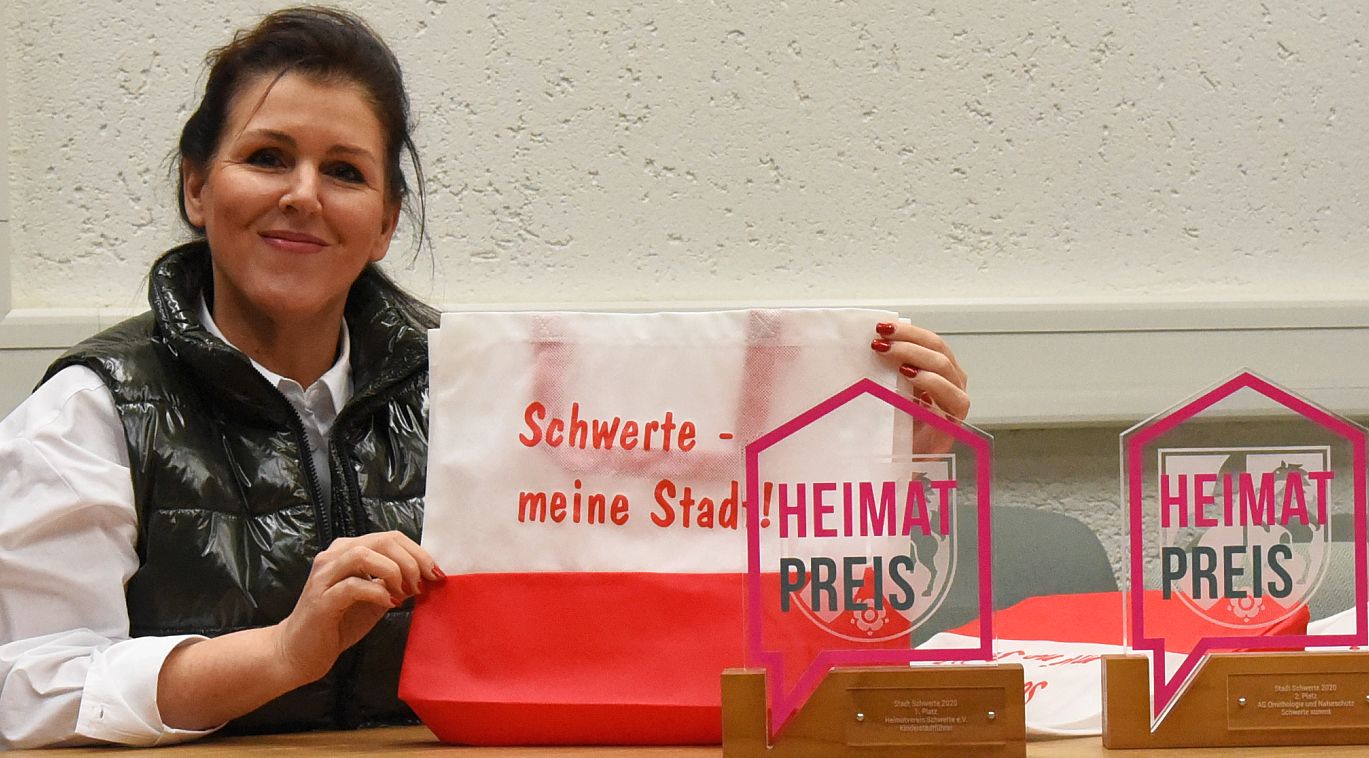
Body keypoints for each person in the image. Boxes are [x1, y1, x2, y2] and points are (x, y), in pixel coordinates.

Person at [0, 6, 969, 750]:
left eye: (345, 171)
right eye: (266, 157)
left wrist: (888, 449)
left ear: (386, 220)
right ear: (196, 185)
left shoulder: (482, 386)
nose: (302, 194)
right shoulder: (93, 409)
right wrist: (280, 654)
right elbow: (29, 691)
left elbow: (661, 557)